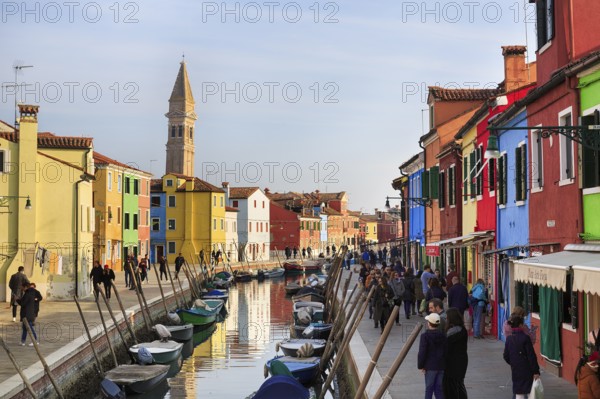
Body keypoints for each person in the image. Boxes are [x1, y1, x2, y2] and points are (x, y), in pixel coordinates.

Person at [503, 315, 540, 399]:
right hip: (526, 369)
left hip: (515, 368)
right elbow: (531, 356)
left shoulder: (509, 339)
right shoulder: (525, 338)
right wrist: (535, 371)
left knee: (519, 391)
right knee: (529, 390)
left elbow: (505, 356)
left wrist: (513, 362)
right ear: (520, 325)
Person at [418, 312, 448, 399]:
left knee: (429, 388)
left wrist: (421, 365)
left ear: (429, 323)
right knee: (439, 389)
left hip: (430, 366)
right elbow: (446, 351)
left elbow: (422, 352)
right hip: (441, 366)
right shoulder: (443, 336)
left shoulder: (425, 336)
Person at [443, 308, 468, 399]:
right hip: (459, 361)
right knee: (458, 385)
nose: (446, 320)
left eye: (447, 318)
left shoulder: (454, 332)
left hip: (454, 363)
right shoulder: (461, 329)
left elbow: (447, 347)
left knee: (454, 386)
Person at [18, 282, 39, 346]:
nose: (21, 288)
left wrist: (17, 300)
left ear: (25, 287)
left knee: (30, 328)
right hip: (28, 314)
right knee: (24, 328)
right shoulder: (29, 293)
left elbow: (23, 303)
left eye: (22, 287)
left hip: (27, 314)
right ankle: (23, 341)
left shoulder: (28, 294)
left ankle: (35, 340)